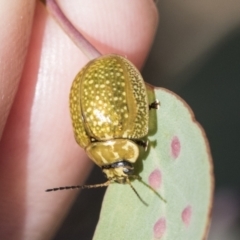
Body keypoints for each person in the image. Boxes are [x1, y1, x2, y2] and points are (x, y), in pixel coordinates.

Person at [0, 1, 158, 239]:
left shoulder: (125, 132)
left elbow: (136, 105)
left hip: (107, 74)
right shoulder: (88, 140)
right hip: (100, 75)